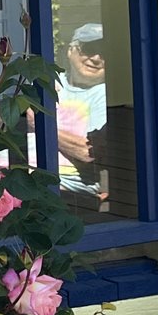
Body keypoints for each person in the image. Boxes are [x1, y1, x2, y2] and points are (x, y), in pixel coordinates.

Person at [54, 22, 108, 204]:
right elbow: (1, 124)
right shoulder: (50, 82)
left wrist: (42, 124)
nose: (96, 57)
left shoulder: (104, 94)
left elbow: (88, 151)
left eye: (105, 53)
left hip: (70, 193)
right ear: (71, 51)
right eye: (89, 48)